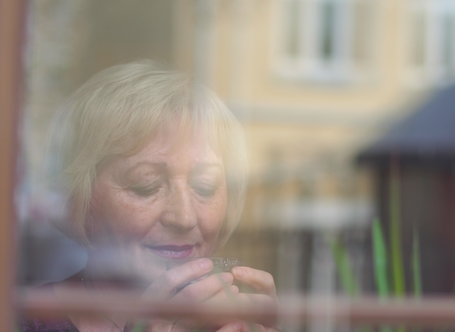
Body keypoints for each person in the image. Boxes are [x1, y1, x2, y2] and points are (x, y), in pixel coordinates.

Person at [22, 60, 277, 332]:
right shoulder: (23, 318)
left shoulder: (233, 319)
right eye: (147, 185)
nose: (184, 217)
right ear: (80, 199)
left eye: (205, 186)